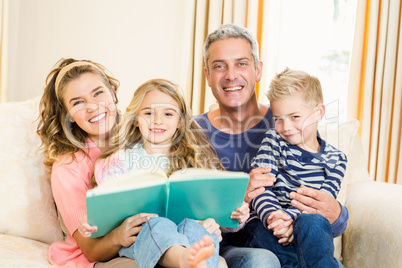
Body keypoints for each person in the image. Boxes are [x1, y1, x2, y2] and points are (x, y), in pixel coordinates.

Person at [196, 23, 349, 267]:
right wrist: (239, 198)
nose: (231, 75)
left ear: (258, 70)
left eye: (241, 63)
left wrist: (337, 213)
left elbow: (328, 205)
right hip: (232, 244)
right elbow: (182, 210)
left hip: (300, 231)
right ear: (207, 76)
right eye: (219, 66)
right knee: (263, 261)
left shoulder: (288, 119)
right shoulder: (193, 133)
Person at [79, 78, 249, 268]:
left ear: (180, 122)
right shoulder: (117, 162)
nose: (158, 120)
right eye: (149, 113)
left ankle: (191, 260)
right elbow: (104, 211)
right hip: (141, 240)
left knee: (198, 230)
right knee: (157, 224)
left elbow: (222, 216)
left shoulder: (198, 162)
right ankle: (182, 258)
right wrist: (89, 223)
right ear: (135, 120)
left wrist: (237, 214)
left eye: (168, 114)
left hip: (190, 236)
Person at [37, 58, 153, 267]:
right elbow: (91, 250)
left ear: (113, 92)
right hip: (102, 255)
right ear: (68, 116)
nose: (92, 107)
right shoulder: (68, 167)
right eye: (78, 102)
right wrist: (118, 236)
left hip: (154, 238)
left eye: (98, 93)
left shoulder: (145, 134)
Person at [246, 67, 347, 267]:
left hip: (305, 225)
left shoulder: (336, 159)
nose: (285, 127)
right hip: (267, 223)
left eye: (294, 117)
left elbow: (320, 204)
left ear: (318, 112)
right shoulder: (273, 141)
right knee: (259, 231)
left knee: (316, 223)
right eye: (278, 119)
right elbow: (260, 189)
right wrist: (275, 218)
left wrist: (290, 219)